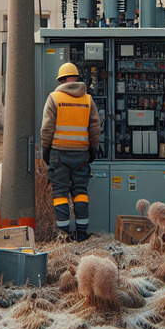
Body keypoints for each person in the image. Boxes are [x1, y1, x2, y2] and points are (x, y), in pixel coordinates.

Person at [40, 62, 101, 241]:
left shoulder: (54, 98)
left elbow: (46, 129)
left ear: (61, 80)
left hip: (59, 154)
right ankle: (82, 234)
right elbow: (95, 129)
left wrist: (46, 151)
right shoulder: (87, 99)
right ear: (76, 78)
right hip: (81, 155)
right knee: (80, 192)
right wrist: (92, 150)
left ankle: (63, 235)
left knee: (60, 194)